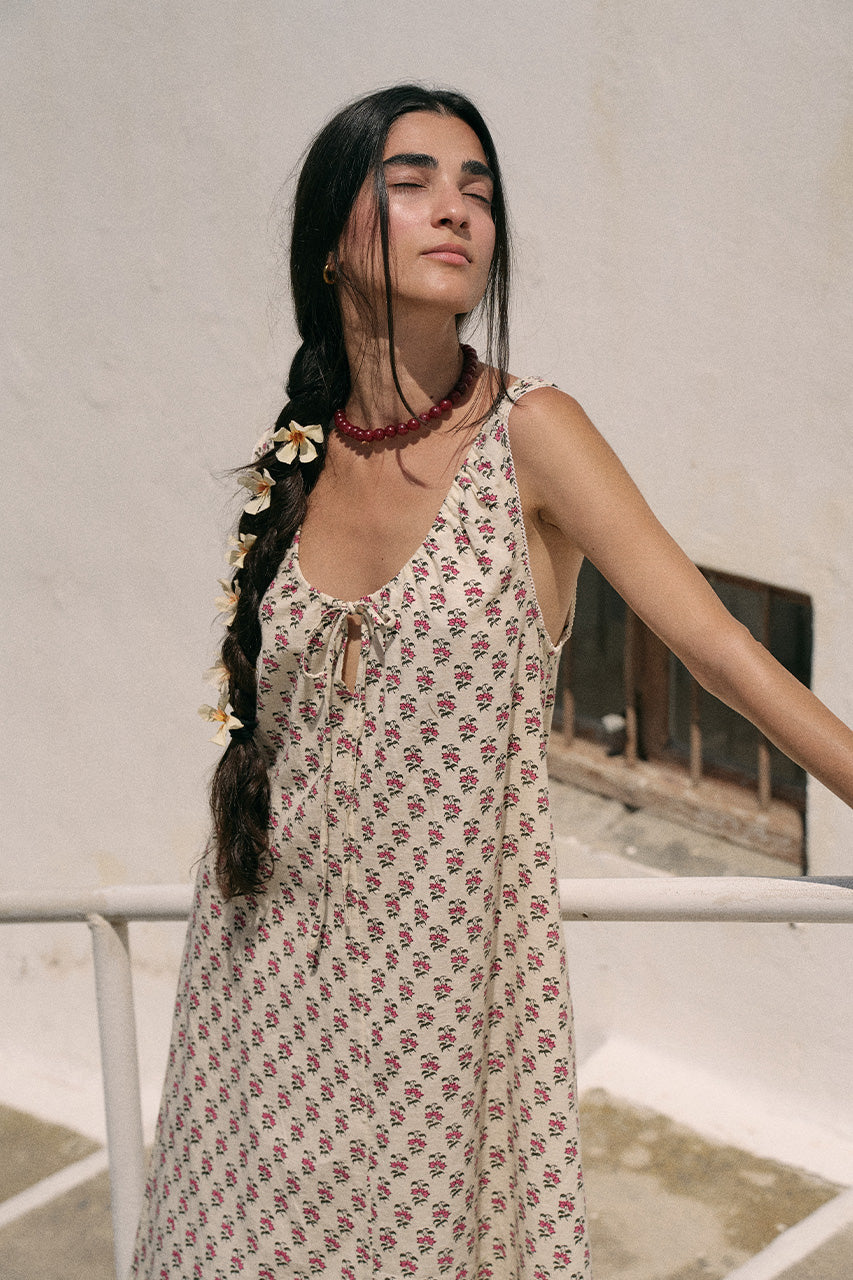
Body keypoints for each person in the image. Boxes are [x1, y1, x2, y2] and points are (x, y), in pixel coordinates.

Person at [132, 85, 853, 1280]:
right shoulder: (297, 459)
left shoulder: (532, 433)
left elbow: (716, 649)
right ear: (330, 242)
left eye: (477, 187)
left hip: (443, 990)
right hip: (258, 973)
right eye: (410, 181)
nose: (456, 209)